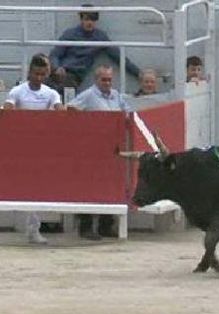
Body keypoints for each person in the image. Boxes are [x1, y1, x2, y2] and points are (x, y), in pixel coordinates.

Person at [2, 54, 64, 244]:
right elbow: (8, 109)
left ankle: (33, 229)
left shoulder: (51, 93)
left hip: (40, 147)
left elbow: (60, 112)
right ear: (30, 72)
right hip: (18, 146)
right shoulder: (17, 91)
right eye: (36, 74)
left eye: (43, 74)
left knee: (35, 187)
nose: (39, 78)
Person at [68, 64, 131, 240]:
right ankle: (85, 226)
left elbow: (127, 114)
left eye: (110, 79)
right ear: (97, 80)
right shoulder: (89, 95)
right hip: (92, 149)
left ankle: (105, 225)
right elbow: (71, 110)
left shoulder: (116, 95)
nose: (107, 83)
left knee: (109, 185)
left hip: (112, 149)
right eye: (104, 79)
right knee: (89, 187)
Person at [48, 4, 141, 95]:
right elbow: (55, 54)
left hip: (74, 76)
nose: (90, 22)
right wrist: (57, 67)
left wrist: (138, 73)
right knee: (40, 84)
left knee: (63, 89)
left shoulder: (100, 37)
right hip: (58, 72)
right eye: (87, 19)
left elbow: (118, 57)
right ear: (81, 19)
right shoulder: (70, 33)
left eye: (93, 19)